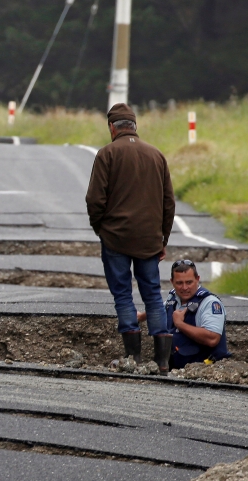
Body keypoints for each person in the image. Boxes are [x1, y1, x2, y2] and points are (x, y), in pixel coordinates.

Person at [85, 103, 176, 374]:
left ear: (112, 127)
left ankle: (133, 358)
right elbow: (168, 201)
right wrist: (163, 238)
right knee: (153, 295)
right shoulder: (156, 155)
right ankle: (162, 362)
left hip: (115, 238)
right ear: (135, 126)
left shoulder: (107, 154)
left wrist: (99, 227)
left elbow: (95, 199)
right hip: (149, 239)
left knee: (123, 295)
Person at [139, 260, 229, 370]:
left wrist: (179, 324)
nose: (185, 288)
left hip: (205, 371)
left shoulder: (209, 303)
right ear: (172, 281)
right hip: (176, 370)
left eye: (189, 282)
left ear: (197, 279)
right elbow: (161, 308)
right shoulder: (174, 298)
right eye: (179, 283)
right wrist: (140, 317)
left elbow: (212, 339)